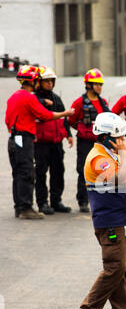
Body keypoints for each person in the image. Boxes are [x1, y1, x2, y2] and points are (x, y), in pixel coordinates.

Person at [76, 112, 126, 309]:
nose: (122, 141)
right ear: (105, 136)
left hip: (120, 219)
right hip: (109, 222)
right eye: (119, 138)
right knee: (114, 268)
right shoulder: (98, 158)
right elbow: (119, 177)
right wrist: (125, 153)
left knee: (122, 270)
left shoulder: (109, 153)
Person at [5, 65, 74, 219]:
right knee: (26, 172)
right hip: (24, 138)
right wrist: (66, 113)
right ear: (33, 81)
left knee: (19, 172)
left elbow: (8, 120)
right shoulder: (29, 97)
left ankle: (20, 207)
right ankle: (26, 208)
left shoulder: (14, 96)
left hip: (15, 138)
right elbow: (45, 115)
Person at [69, 68, 111, 212]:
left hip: (101, 143)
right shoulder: (79, 102)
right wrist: (83, 131)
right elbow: (72, 120)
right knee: (83, 170)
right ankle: (83, 200)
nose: (99, 87)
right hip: (85, 142)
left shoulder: (103, 102)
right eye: (96, 84)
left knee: (103, 170)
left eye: (100, 84)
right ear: (88, 85)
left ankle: (100, 199)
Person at [34, 66, 73, 214]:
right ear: (39, 82)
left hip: (56, 143)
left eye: (51, 81)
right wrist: (42, 103)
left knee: (58, 172)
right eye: (46, 81)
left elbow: (64, 118)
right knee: (41, 173)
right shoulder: (34, 99)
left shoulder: (56, 98)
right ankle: (42, 203)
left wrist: (68, 134)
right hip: (41, 144)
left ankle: (56, 201)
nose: (49, 83)